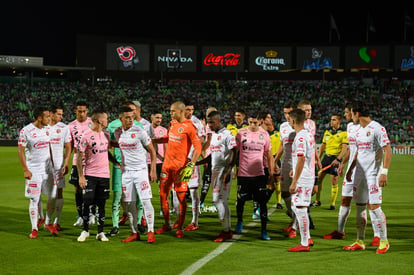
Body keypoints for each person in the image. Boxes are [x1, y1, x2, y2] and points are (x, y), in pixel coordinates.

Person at [323, 103, 380, 245]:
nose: (345, 115)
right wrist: (343, 163)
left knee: (370, 202)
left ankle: (377, 235)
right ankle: (339, 231)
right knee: (344, 199)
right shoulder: (349, 127)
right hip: (352, 168)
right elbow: (352, 149)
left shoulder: (367, 127)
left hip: (366, 169)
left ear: (355, 113)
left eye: (347, 112)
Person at [343, 101, 391, 254]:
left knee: (375, 208)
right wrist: (350, 170)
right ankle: (360, 240)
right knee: (359, 208)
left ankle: (384, 241)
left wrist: (384, 172)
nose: (351, 117)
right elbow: (357, 152)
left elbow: (387, 150)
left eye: (352, 113)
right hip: (359, 174)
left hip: (373, 175)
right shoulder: (357, 130)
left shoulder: (377, 128)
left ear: (357, 113)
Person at [153, 101, 202, 238]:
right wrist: (154, 140)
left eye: (173, 111)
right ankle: (167, 224)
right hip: (166, 166)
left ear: (181, 111)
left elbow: (197, 147)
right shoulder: (172, 124)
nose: (170, 113)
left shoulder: (190, 127)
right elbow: (169, 138)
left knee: (181, 198)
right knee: (163, 195)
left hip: (180, 168)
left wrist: (191, 165)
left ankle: (180, 227)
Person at [114, 106, 157, 243]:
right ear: (120, 118)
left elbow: (152, 150)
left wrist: (153, 169)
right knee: (129, 203)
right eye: (127, 117)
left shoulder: (139, 131)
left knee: (145, 200)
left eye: (132, 117)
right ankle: (134, 232)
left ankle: (151, 231)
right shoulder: (118, 132)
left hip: (141, 171)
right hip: (126, 173)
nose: (130, 120)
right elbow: (119, 147)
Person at [196, 110, 237, 242]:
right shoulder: (214, 135)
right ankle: (227, 230)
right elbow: (212, 155)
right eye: (208, 123)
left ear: (219, 121)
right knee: (220, 201)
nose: (210, 125)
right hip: (215, 171)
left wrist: (228, 170)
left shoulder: (227, 135)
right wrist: (197, 163)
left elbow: (234, 152)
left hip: (223, 171)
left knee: (218, 200)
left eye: (212, 122)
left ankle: (226, 230)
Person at [76, 109, 116, 242]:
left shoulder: (106, 134)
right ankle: (85, 230)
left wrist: (116, 163)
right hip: (90, 175)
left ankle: (100, 232)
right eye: (106, 118)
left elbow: (105, 152)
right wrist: (81, 176)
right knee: (87, 202)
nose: (107, 121)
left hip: (104, 175)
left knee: (102, 204)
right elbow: (79, 156)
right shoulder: (86, 135)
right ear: (99, 120)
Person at [234, 111, 274, 241]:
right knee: (240, 200)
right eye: (250, 122)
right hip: (243, 174)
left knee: (262, 203)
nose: (252, 125)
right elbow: (235, 152)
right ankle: (239, 221)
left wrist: (271, 171)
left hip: (259, 174)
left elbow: (268, 155)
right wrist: (234, 167)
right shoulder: (241, 133)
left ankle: (264, 231)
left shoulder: (264, 135)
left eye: (255, 123)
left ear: (260, 122)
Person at [106, 101, 144, 236]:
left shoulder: (139, 126)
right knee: (118, 196)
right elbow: (107, 144)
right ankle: (115, 226)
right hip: (120, 167)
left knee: (138, 196)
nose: (132, 115)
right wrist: (115, 161)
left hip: (136, 167)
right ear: (121, 116)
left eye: (134, 112)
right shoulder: (113, 126)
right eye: (130, 112)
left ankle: (138, 223)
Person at [18, 106, 55, 238]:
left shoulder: (48, 129)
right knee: (34, 198)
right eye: (47, 117)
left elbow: (51, 148)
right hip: (33, 169)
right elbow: (20, 151)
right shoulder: (26, 131)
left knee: (51, 196)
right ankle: (34, 229)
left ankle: (45, 219)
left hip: (47, 169)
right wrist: (25, 169)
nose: (49, 119)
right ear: (39, 117)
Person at [288, 108, 315, 252]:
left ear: (293, 120)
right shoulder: (308, 134)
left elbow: (301, 158)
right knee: (296, 206)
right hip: (306, 174)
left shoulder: (299, 137)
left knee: (300, 208)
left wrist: (294, 181)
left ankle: (304, 243)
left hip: (303, 178)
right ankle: (307, 237)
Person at [311, 114, 348, 210]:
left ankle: (332, 204)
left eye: (334, 120)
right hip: (326, 159)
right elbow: (323, 146)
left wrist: (338, 159)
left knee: (334, 181)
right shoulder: (327, 132)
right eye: (331, 120)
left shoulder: (343, 133)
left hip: (335, 159)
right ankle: (317, 201)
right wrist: (318, 159)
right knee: (318, 179)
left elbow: (344, 149)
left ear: (339, 121)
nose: (332, 121)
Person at [68, 100, 95, 227]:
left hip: (91, 162)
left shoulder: (92, 123)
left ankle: (92, 214)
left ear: (87, 111)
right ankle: (80, 215)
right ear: (75, 111)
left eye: (84, 111)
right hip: (77, 161)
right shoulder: (70, 126)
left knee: (91, 188)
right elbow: (70, 145)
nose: (82, 114)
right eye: (79, 111)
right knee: (78, 189)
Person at [180, 101, 206, 231]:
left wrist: (193, 158)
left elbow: (200, 142)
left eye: (192, 109)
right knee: (176, 191)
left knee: (193, 190)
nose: (190, 112)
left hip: (191, 162)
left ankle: (194, 221)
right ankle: (179, 219)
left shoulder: (197, 123)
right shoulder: (176, 122)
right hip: (179, 161)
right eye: (187, 109)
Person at [274, 101, 297, 237]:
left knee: (295, 195)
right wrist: (275, 160)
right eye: (285, 113)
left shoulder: (302, 126)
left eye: (289, 113)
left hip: (296, 164)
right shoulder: (283, 126)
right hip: (286, 163)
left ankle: (294, 226)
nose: (287, 116)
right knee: (284, 193)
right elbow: (282, 145)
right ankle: (294, 217)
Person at [297, 99, 321, 230]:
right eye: (306, 110)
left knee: (314, 190)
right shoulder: (296, 124)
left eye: (310, 110)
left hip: (312, 162)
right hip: (302, 163)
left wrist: (318, 159)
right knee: (301, 192)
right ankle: (305, 218)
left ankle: (303, 213)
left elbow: (313, 143)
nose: (309, 112)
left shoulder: (312, 124)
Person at [48, 105, 72, 231]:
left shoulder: (64, 127)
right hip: (44, 167)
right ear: (51, 114)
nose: (61, 117)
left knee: (59, 192)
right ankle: (44, 219)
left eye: (62, 114)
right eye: (59, 114)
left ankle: (56, 221)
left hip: (58, 165)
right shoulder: (44, 127)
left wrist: (66, 162)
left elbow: (68, 146)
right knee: (44, 194)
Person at [252, 110, 275, 220]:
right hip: (263, 166)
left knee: (260, 189)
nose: (271, 120)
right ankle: (259, 211)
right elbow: (268, 155)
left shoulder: (257, 132)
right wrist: (271, 170)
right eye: (268, 118)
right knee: (270, 187)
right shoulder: (264, 134)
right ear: (262, 120)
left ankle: (257, 211)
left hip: (256, 166)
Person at [199, 106, 217, 212]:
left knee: (208, 180)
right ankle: (203, 203)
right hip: (214, 155)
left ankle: (203, 203)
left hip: (212, 156)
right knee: (209, 180)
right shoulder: (214, 125)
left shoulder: (209, 125)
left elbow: (208, 141)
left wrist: (200, 151)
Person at [269, 121, 283, 210]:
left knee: (278, 180)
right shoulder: (264, 134)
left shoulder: (278, 134)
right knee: (269, 182)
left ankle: (278, 202)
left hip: (276, 158)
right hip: (267, 158)